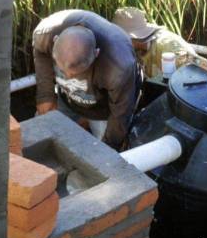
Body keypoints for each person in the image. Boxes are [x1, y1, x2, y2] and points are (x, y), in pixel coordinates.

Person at [33, 9, 142, 151]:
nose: (68, 76)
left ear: (96, 53)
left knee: (104, 155)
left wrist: (109, 148)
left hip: (105, 111)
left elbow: (120, 115)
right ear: (55, 41)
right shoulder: (46, 32)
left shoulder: (119, 66)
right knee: (38, 132)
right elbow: (40, 52)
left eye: (76, 73)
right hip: (67, 98)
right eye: (62, 69)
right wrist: (45, 95)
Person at [112, 7, 195, 78]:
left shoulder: (169, 47)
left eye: (120, 38)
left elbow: (192, 78)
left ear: (132, 38)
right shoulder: (137, 48)